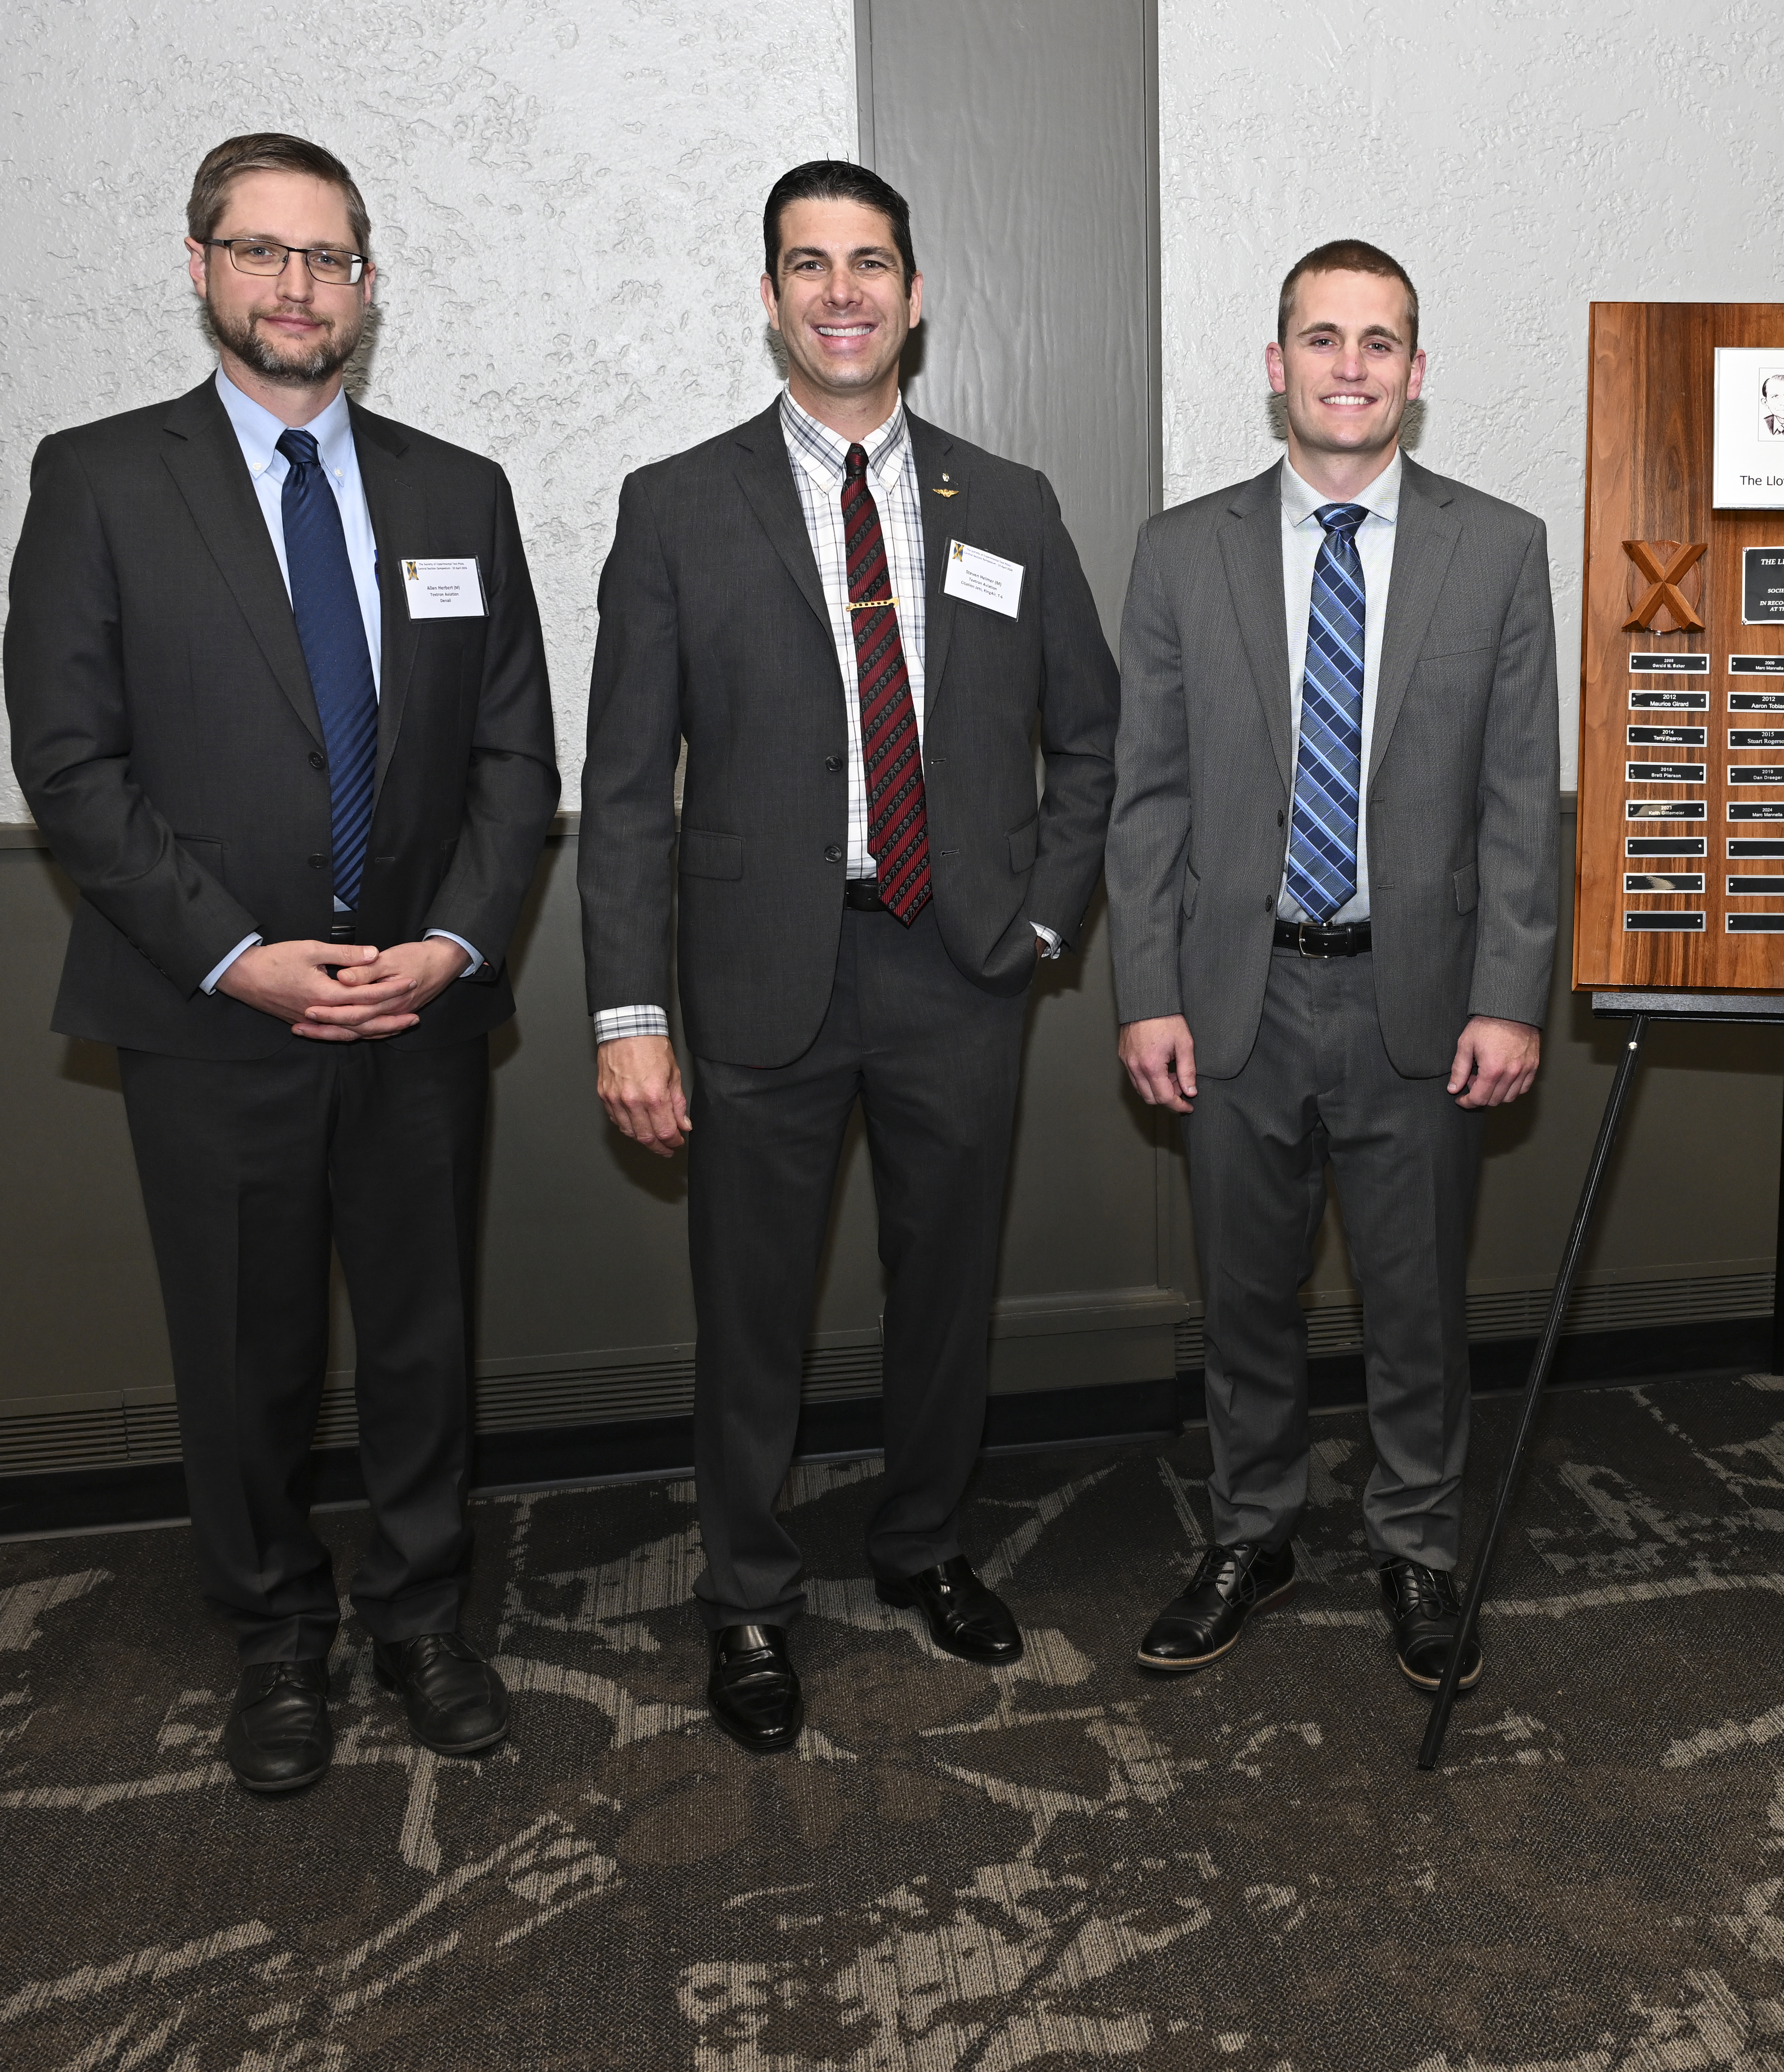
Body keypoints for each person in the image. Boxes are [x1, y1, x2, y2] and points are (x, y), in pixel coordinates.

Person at [3, 134, 558, 1791]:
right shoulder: (99, 480)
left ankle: (417, 1618)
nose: (296, 288)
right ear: (200, 268)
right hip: (214, 1018)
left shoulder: (460, 491)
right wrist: (240, 958)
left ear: (367, 284)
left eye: (327, 259)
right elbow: (71, 768)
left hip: (417, 1014)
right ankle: (275, 1636)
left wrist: (451, 945)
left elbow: (516, 760)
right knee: (243, 1352)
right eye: (262, 254)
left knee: (418, 1339)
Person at [578, 162, 1119, 1753]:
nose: (841, 292)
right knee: (751, 1306)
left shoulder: (1006, 503)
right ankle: (747, 1595)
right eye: (807, 265)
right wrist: (630, 1015)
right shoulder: (675, 505)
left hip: (954, 962)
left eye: (870, 263)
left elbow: (1091, 743)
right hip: (758, 973)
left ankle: (923, 1543)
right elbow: (621, 793)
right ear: (768, 296)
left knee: (945, 1287)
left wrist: (1034, 921)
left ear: (916, 292)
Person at [1109, 238, 1558, 1692]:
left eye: (1380, 343)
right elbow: (1149, 796)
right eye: (1322, 338)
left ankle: (1418, 1543)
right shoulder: (1181, 551)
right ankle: (1254, 1529)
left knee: (1414, 1302)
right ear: (1275, 364)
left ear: (1416, 376)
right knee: (1244, 1299)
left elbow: (1513, 795)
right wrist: (1147, 989)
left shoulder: (1498, 548)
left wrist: (1509, 993)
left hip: (1414, 1002)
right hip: (1236, 997)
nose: (1350, 366)